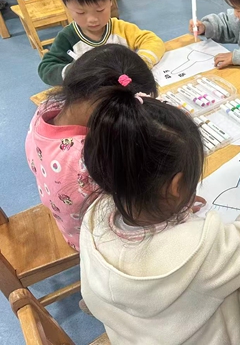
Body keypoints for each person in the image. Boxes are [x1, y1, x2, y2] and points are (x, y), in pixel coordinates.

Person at [78, 83, 240, 345]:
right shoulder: (200, 247)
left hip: (133, 338)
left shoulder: (93, 220)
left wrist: (172, 208)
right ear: (176, 187)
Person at [25, 44, 158, 250]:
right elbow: (136, 203)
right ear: (111, 115)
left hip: (66, 221)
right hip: (92, 241)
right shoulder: (88, 157)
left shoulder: (47, 109)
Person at [38, 0, 165, 86]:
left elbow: (153, 41)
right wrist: (75, 71)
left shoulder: (121, 29)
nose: (92, 19)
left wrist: (140, 63)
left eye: (100, 10)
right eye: (81, 13)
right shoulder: (68, 38)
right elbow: (46, 68)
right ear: (66, 5)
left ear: (110, 0)